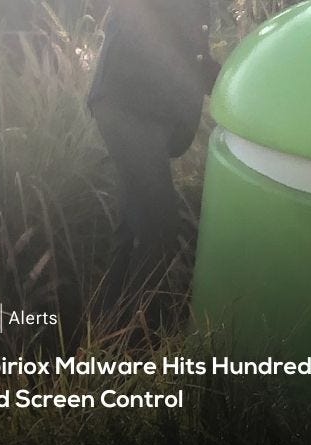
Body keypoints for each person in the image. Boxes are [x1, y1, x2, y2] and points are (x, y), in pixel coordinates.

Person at [88, 0, 220, 311]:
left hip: (142, 110)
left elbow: (191, 53)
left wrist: (233, 78)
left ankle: (108, 325)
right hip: (130, 106)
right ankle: (137, 334)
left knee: (134, 226)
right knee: (159, 227)